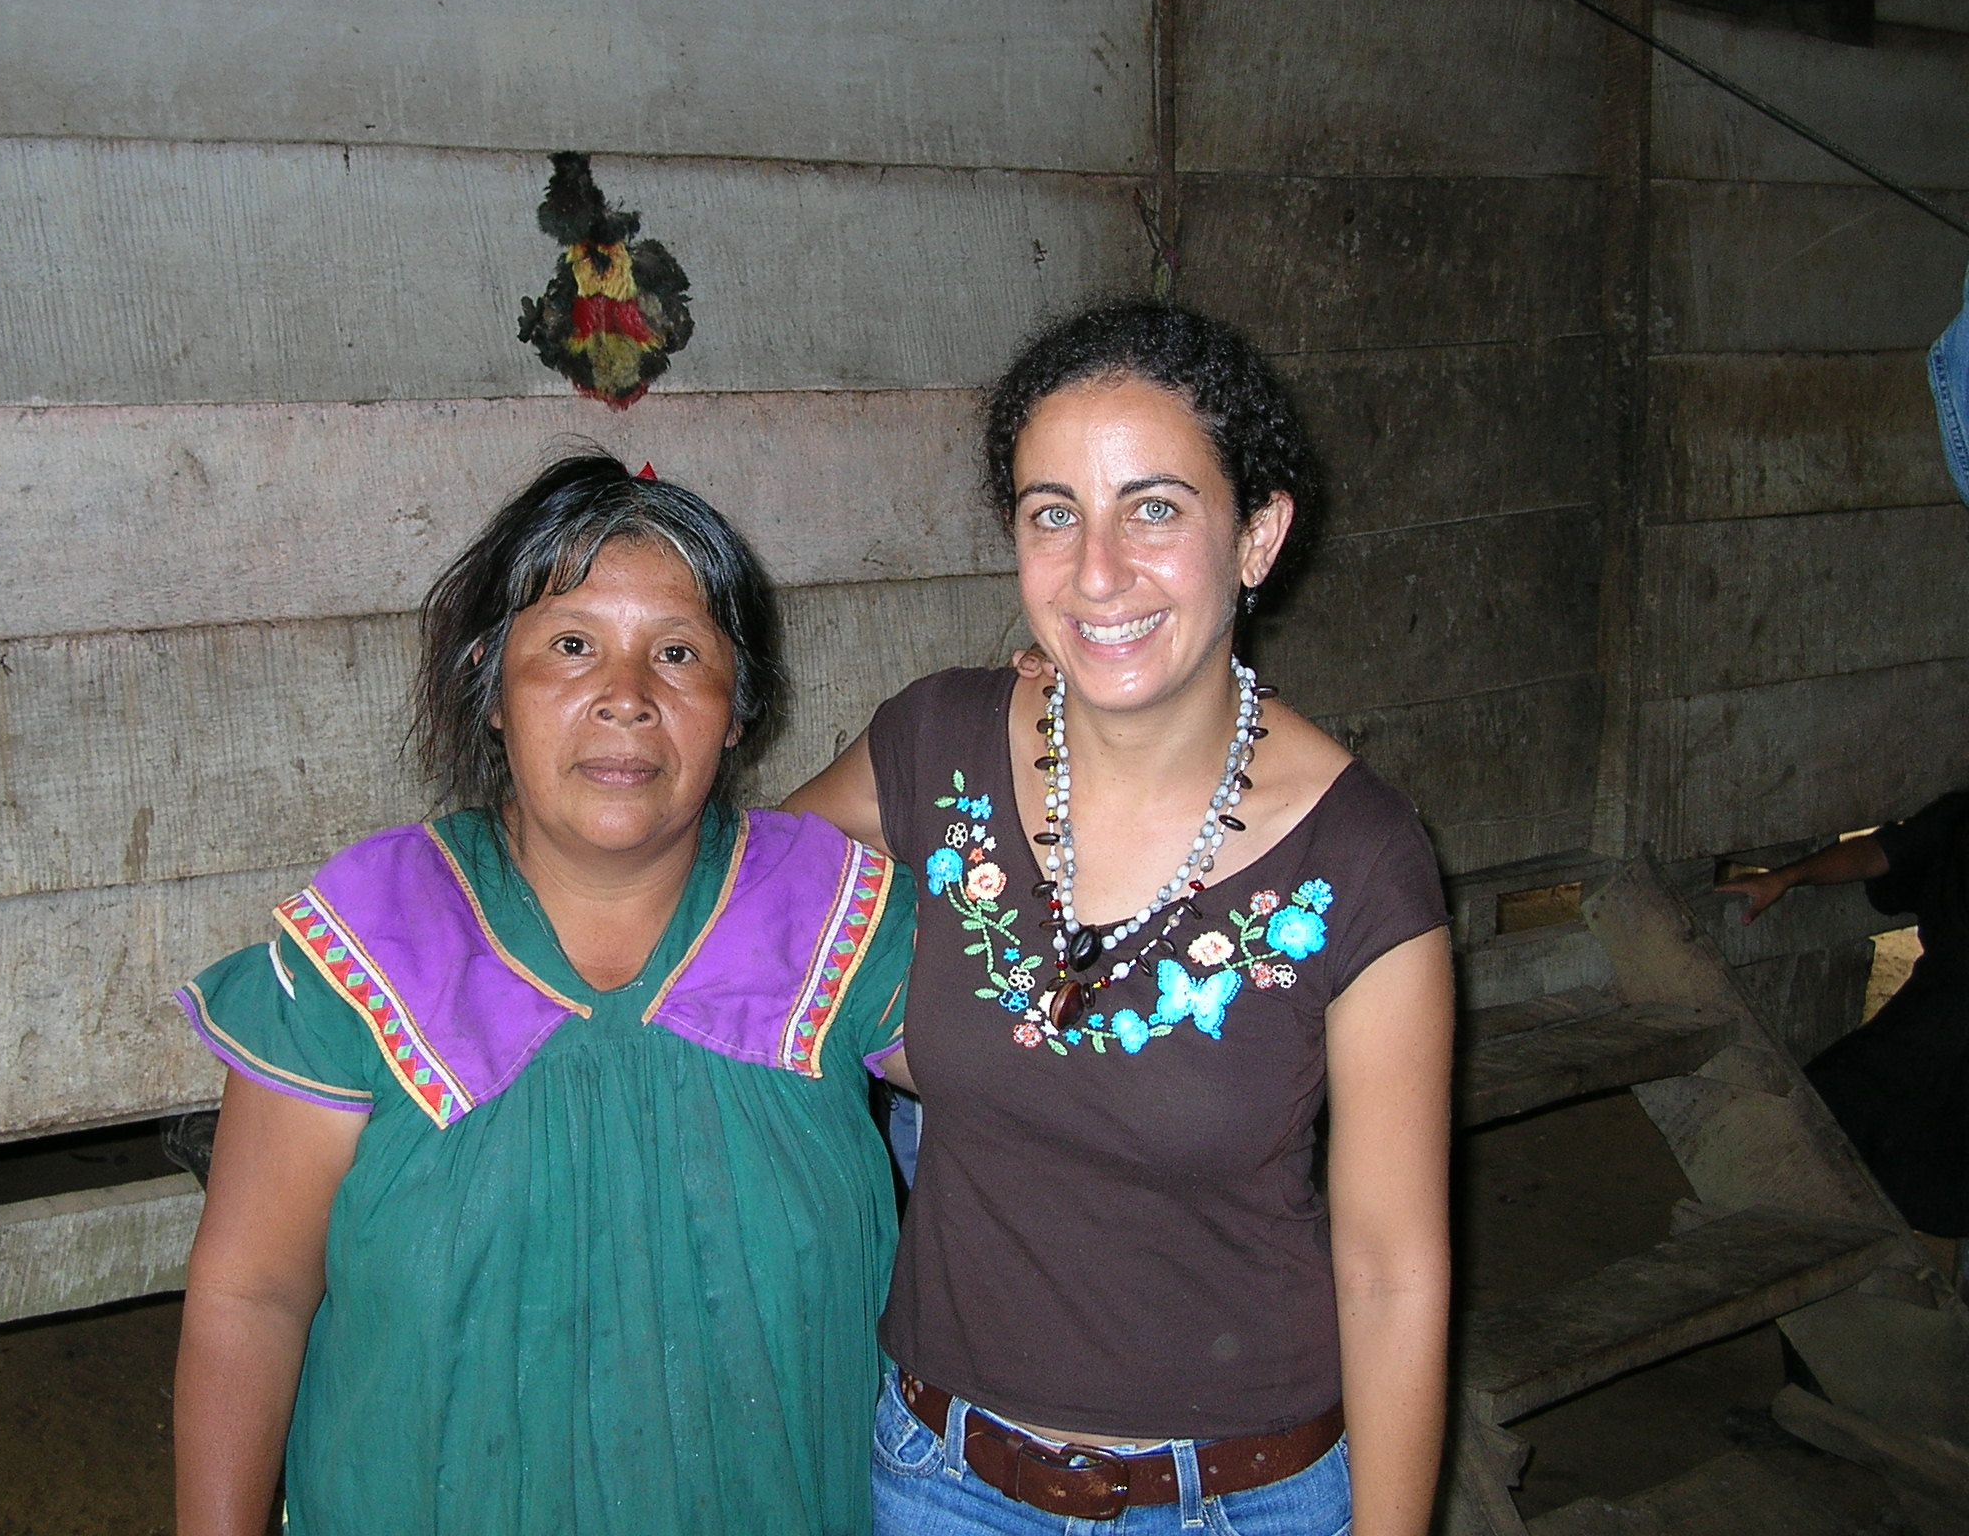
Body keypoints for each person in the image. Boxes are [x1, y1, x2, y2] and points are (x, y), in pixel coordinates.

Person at [789, 300, 1454, 1536]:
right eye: (1053, 513)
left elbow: (1390, 1264)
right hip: (938, 1476)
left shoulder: (1359, 859)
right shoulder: (935, 743)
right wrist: (885, 1023)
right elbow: (760, 889)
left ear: (1256, 535)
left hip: (1239, 1498)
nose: (1096, 572)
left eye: (1153, 507)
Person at [171, 454, 914, 1536]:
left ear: (735, 704)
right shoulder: (370, 940)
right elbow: (250, 1295)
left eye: (676, 652)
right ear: (489, 683)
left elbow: (1056, 1078)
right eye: (571, 645)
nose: (626, 695)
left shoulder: (831, 915)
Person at [1717, 793, 1969, 1244]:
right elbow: (1883, 852)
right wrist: (1791, 876)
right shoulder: (1961, 816)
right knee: (1825, 1113)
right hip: (1934, 1020)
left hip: (1937, 1029)